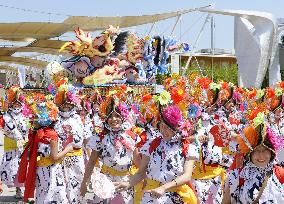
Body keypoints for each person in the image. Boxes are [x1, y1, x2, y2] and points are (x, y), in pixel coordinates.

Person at [115, 105, 200, 204]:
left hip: (174, 197)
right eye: (161, 126)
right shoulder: (151, 144)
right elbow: (141, 172)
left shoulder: (187, 148)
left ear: (176, 128)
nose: (163, 130)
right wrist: (128, 183)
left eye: (167, 128)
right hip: (151, 196)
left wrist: (164, 188)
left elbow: (187, 176)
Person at [80, 98, 139, 204]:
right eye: (110, 116)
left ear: (123, 117)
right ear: (106, 118)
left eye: (117, 116)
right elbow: (92, 161)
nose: (114, 119)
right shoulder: (100, 138)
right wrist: (84, 183)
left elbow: (138, 162)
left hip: (126, 181)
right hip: (105, 181)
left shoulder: (132, 137)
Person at [18, 97, 73, 203]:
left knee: (43, 195)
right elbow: (54, 157)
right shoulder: (51, 134)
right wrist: (68, 149)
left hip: (41, 169)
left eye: (34, 117)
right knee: (55, 196)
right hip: (51, 171)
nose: (32, 120)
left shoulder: (39, 133)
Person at [222, 124, 284, 203]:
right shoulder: (238, 176)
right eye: (256, 150)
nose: (261, 155)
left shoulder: (280, 174)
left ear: (271, 153)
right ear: (249, 154)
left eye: (265, 150)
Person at [54, 86, 85, 203]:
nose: (66, 106)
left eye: (68, 103)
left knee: (77, 182)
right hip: (60, 157)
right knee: (61, 185)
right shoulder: (55, 118)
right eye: (63, 103)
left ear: (73, 105)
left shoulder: (78, 118)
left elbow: (82, 139)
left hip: (76, 157)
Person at [0, 86, 28, 198]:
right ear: (11, 105)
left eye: (18, 104)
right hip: (11, 145)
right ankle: (5, 186)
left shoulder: (25, 116)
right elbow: (10, 129)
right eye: (15, 104)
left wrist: (25, 139)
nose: (17, 106)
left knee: (21, 168)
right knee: (10, 168)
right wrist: (19, 138)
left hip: (22, 146)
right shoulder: (6, 116)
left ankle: (19, 189)